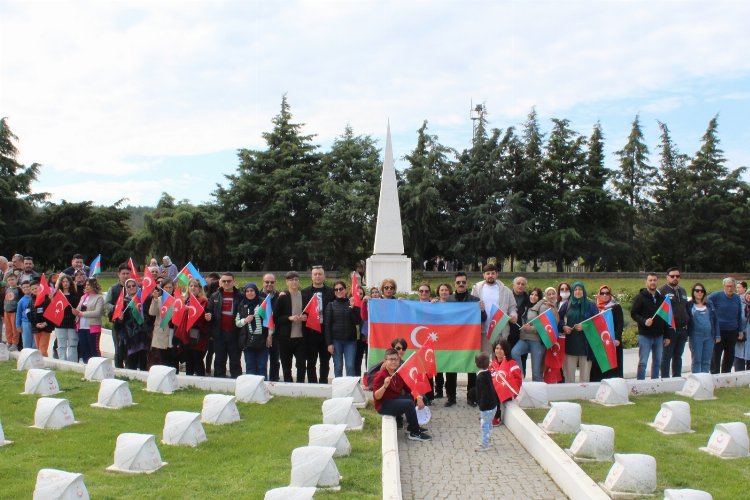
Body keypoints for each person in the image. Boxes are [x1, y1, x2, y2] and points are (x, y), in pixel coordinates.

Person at [471, 264, 517, 403]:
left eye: (492, 273)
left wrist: (514, 315)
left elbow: (512, 307)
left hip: (500, 330)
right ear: (483, 275)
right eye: (487, 273)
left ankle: (499, 390)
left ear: (497, 274)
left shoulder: (506, 291)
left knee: (499, 361)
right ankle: (483, 392)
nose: (490, 275)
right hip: (483, 330)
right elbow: (470, 306)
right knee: (484, 362)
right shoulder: (477, 289)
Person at [372, 348, 431, 442]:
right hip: (384, 405)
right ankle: (414, 433)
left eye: (396, 359)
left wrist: (418, 397)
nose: (394, 362)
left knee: (421, 397)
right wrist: (384, 386)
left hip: (395, 400)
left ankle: (411, 427)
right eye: (391, 359)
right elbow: (376, 397)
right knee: (408, 403)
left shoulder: (398, 373)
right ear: (385, 361)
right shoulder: (380, 375)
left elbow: (410, 388)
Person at [445, 272, 485, 407]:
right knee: (450, 368)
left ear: (467, 283)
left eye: (463, 282)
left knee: (471, 368)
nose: (461, 284)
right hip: (453, 340)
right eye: (458, 282)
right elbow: (443, 317)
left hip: (469, 340)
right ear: (454, 284)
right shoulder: (449, 300)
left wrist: (482, 310)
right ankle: (451, 397)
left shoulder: (474, 300)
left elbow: (483, 319)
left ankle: (471, 397)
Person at [512, 287, 556, 382]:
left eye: (536, 295)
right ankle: (521, 379)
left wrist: (531, 328)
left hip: (537, 341)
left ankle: (538, 393)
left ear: (539, 297)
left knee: (536, 372)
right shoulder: (527, 306)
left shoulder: (542, 307)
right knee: (514, 352)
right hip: (524, 339)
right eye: (532, 294)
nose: (533, 296)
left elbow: (545, 326)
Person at [205, 272, 244, 378]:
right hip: (219, 334)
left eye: (229, 281)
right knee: (219, 361)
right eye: (224, 281)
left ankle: (237, 382)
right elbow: (210, 312)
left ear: (233, 282)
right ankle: (219, 383)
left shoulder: (240, 296)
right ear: (220, 282)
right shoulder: (214, 296)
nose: (226, 283)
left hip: (235, 334)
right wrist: (209, 316)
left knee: (235, 361)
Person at [558, 282, 598, 382]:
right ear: (572, 291)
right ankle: (570, 395)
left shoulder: (591, 305)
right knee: (569, 376)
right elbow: (559, 320)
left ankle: (584, 395)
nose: (577, 292)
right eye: (575, 289)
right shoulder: (566, 305)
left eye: (580, 289)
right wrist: (563, 327)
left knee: (585, 377)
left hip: (586, 346)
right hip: (570, 345)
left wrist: (585, 327)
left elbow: (597, 322)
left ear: (583, 291)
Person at [301, 266, 335, 383]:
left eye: (320, 274)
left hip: (326, 332)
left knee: (325, 361)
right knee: (311, 361)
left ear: (324, 276)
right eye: (315, 274)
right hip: (311, 332)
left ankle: (323, 382)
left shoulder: (331, 292)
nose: (317, 276)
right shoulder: (304, 292)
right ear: (311, 276)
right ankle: (312, 383)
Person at [631, 273, 668, 380]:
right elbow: (634, 313)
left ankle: (655, 382)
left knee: (657, 361)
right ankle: (640, 383)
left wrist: (667, 335)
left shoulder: (661, 298)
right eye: (650, 280)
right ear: (646, 282)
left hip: (659, 335)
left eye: (654, 280)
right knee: (643, 362)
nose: (652, 282)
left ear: (657, 282)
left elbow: (665, 318)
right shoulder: (640, 297)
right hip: (645, 335)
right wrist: (643, 321)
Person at [274, 271, 308, 382]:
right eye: (291, 280)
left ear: (299, 281)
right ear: (287, 282)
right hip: (285, 337)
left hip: (301, 337)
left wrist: (305, 317)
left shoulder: (304, 295)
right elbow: (276, 318)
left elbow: (309, 313)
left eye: (296, 279)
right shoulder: (283, 297)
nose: (294, 282)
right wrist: (289, 318)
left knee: (301, 365)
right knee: (286, 365)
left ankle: (301, 385)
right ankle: (288, 386)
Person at [325, 280, 361, 378]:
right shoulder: (331, 305)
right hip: (336, 341)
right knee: (338, 366)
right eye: (336, 289)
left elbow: (357, 321)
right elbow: (327, 326)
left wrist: (353, 308)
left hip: (350, 341)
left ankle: (350, 389)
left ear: (345, 290)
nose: (338, 291)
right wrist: (329, 343)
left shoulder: (353, 303)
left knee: (350, 366)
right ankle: (339, 390)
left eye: (341, 289)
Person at [174, 279, 210, 376]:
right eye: (191, 286)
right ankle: (189, 382)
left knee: (198, 359)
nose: (193, 288)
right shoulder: (185, 301)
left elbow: (205, 316)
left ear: (199, 289)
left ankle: (201, 381)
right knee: (188, 360)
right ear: (188, 288)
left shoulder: (204, 301)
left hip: (197, 335)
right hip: (185, 334)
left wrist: (190, 310)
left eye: (195, 286)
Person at [709, 277, 744, 374]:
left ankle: (726, 375)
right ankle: (714, 374)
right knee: (716, 355)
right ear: (724, 286)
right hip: (719, 331)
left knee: (729, 355)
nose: (730, 289)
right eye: (727, 286)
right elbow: (705, 301)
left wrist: (740, 331)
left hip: (732, 331)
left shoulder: (737, 297)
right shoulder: (716, 295)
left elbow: (739, 314)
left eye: (732, 286)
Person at [590, 285, 624, 380]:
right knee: (599, 367)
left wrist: (617, 338)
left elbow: (620, 324)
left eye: (607, 293)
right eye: (602, 293)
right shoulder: (595, 308)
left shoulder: (616, 307)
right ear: (599, 294)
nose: (605, 295)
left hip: (613, 342)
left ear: (610, 295)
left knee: (613, 366)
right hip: (599, 342)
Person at [660, 267, 690, 377]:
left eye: (677, 276)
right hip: (669, 330)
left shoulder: (682, 291)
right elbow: (660, 313)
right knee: (666, 357)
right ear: (667, 277)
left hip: (682, 329)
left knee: (678, 356)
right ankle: (665, 379)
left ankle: (677, 378)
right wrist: (665, 333)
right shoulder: (662, 291)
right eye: (672, 276)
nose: (675, 278)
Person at [237, 283, 270, 378]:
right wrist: (245, 320)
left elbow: (270, 321)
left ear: (256, 291)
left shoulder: (263, 303)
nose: (249, 293)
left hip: (262, 340)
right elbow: (237, 322)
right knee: (250, 366)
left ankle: (263, 388)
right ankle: (251, 388)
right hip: (248, 340)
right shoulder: (242, 304)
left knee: (262, 366)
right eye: (247, 291)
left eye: (252, 291)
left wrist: (269, 336)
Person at [687, 283, 720, 374]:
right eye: (697, 291)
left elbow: (715, 320)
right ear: (693, 292)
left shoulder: (709, 304)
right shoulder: (689, 305)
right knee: (696, 360)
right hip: (695, 336)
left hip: (709, 337)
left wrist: (717, 335)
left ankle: (705, 381)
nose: (699, 293)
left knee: (706, 361)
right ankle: (696, 381)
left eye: (702, 291)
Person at [489, 339, 522, 426]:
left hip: (509, 391)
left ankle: (497, 417)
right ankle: (487, 414)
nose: (498, 351)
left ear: (506, 350)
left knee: (494, 388)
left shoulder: (512, 363)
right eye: (497, 348)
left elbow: (518, 381)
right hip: (495, 391)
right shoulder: (493, 364)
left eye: (501, 349)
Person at [105, 263, 131, 368]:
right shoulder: (114, 289)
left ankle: (130, 370)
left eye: (127, 273)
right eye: (123, 273)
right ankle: (118, 371)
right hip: (118, 324)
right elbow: (107, 303)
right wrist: (116, 309)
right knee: (119, 349)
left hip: (131, 324)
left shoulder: (134, 287)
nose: (125, 276)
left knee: (130, 350)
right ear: (119, 274)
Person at [73, 278, 104, 362]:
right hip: (81, 327)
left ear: (94, 286)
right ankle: (87, 365)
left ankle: (97, 365)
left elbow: (97, 312)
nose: (86, 286)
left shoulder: (99, 298)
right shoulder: (83, 297)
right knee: (84, 349)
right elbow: (78, 309)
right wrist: (75, 311)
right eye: (86, 285)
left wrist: (82, 314)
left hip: (93, 327)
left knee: (94, 349)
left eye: (89, 285)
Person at [148, 281, 177, 370]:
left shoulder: (176, 300)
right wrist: (155, 300)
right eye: (166, 288)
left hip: (172, 333)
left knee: (171, 359)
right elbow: (152, 312)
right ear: (163, 288)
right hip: (160, 333)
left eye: (170, 288)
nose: (168, 290)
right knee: (160, 360)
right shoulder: (159, 299)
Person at [474, 352, 498, 452]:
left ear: (476, 364)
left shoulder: (480, 377)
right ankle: (487, 440)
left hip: (486, 407)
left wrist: (481, 405)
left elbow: (482, 393)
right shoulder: (488, 374)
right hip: (493, 405)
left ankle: (485, 444)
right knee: (488, 424)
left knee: (484, 425)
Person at [54, 274, 81, 362]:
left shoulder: (76, 296)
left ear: (70, 283)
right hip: (60, 324)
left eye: (67, 281)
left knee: (73, 344)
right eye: (63, 282)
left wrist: (76, 312)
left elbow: (79, 308)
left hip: (72, 323)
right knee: (61, 345)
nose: (65, 283)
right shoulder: (57, 295)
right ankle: (62, 362)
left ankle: (72, 363)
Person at [260, 273, 280, 381]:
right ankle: (262, 380)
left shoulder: (279, 296)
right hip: (261, 333)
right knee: (262, 360)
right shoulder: (257, 295)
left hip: (276, 334)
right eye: (267, 282)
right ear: (262, 282)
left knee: (275, 359)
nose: (269, 284)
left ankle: (274, 380)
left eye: (272, 282)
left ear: (275, 283)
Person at [28, 280, 54, 357]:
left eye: (36, 288)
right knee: (39, 348)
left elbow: (52, 313)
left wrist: (46, 323)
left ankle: (44, 363)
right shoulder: (31, 300)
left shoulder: (47, 299)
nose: (34, 290)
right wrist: (35, 324)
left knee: (42, 349)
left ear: (40, 288)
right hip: (36, 328)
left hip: (46, 328)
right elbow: (29, 314)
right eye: (32, 289)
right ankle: (43, 363)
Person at [353, 285, 368, 376]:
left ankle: (369, 379)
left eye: (361, 294)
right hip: (356, 337)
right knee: (357, 360)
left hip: (366, 336)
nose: (359, 295)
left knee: (368, 359)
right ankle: (357, 381)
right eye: (357, 293)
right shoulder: (349, 304)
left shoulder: (367, 304)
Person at [15, 280, 35, 349]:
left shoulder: (35, 298)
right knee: (26, 341)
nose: (26, 288)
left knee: (35, 342)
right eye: (24, 287)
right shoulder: (21, 301)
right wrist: (18, 325)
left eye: (28, 287)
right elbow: (18, 314)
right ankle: (27, 355)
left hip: (35, 323)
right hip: (25, 323)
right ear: (22, 289)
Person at [3, 273, 20, 351]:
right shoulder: (7, 289)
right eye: (9, 280)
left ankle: (14, 343)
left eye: (12, 279)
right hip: (6, 311)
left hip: (14, 311)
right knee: (8, 328)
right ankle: (9, 342)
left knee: (14, 328)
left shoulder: (19, 289)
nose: (11, 281)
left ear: (16, 279)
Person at [734, 289, 750, 371]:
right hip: (741, 336)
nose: (749, 296)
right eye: (748, 294)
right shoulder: (740, 305)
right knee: (738, 357)